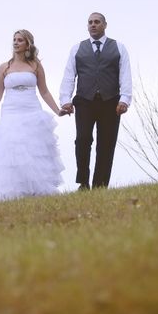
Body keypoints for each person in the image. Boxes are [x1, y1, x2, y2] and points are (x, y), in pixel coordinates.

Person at [0, 29, 65, 199]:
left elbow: (44, 91)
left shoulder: (35, 66)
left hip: (32, 110)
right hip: (11, 112)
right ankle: (13, 192)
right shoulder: (4, 67)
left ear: (27, 44)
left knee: (33, 149)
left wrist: (58, 110)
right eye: (14, 40)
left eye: (20, 40)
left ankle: (36, 191)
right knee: (12, 150)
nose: (16, 43)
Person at [59, 12, 132, 190]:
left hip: (110, 101)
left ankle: (100, 185)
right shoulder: (77, 49)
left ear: (105, 25)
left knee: (106, 143)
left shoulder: (119, 47)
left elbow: (125, 75)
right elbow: (69, 75)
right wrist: (65, 100)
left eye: (97, 22)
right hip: (84, 100)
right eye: (90, 22)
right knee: (82, 139)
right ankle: (83, 182)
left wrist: (125, 99)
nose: (93, 25)